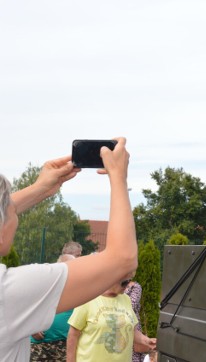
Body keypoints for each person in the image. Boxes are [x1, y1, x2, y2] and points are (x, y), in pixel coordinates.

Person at [0, 137, 138, 361]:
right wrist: (118, 178)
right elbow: (123, 259)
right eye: (10, 210)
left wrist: (40, 189)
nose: (14, 215)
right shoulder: (8, 292)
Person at [66, 275, 157, 362]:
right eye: (124, 282)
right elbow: (73, 335)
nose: (127, 285)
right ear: (112, 278)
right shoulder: (88, 298)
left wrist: (146, 341)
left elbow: (132, 330)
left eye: (129, 281)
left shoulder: (126, 299)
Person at [29, 254, 76, 362]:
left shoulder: (78, 288)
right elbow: (26, 308)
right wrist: (32, 328)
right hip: (40, 345)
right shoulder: (44, 284)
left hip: (64, 344)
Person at [124, 277, 145, 362]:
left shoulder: (135, 287)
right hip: (117, 324)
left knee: (133, 352)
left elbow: (131, 305)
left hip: (132, 323)